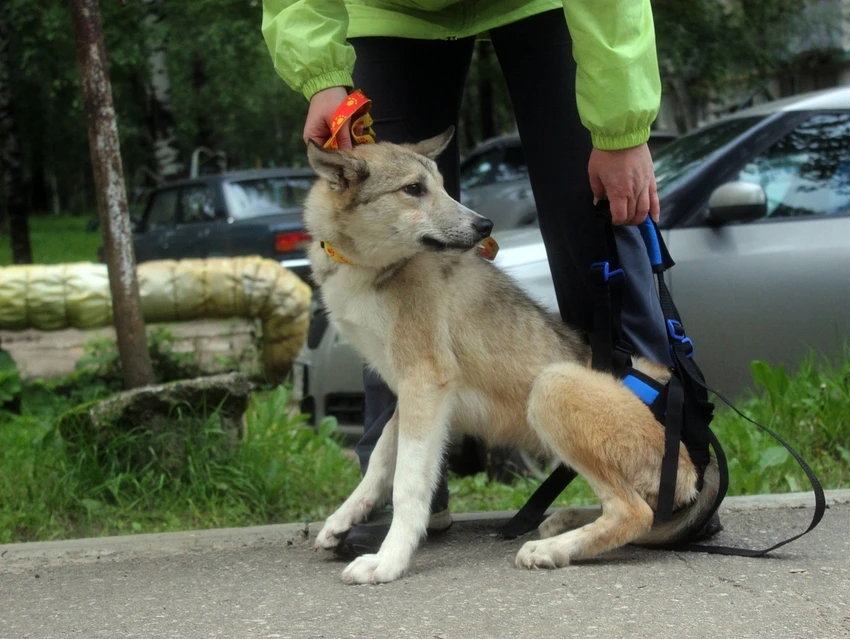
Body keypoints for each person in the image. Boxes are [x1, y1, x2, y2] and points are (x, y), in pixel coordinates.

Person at [262, 0, 717, 558]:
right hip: (386, 11)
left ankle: (670, 466)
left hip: (545, 6)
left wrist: (621, 125)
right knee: (404, 305)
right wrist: (320, 74)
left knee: (600, 216)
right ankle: (403, 498)